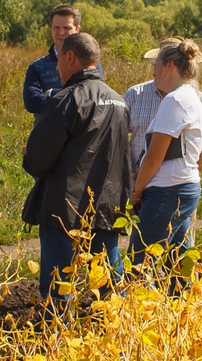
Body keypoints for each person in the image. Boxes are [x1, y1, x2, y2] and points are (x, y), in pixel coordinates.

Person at [22, 31, 131, 301]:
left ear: (70, 57)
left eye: (59, 59)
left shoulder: (67, 100)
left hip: (64, 209)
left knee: (60, 284)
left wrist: (29, 153)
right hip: (107, 206)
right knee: (107, 279)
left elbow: (38, 160)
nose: (57, 66)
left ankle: (58, 336)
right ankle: (115, 332)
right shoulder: (119, 101)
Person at [127, 38, 202, 269]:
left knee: (140, 262)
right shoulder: (191, 96)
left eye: (156, 64)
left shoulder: (174, 100)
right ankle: (180, 303)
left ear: (169, 66)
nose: (153, 71)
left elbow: (154, 156)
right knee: (178, 261)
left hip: (166, 191)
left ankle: (146, 304)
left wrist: (136, 191)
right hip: (184, 187)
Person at [24, 5, 82, 116]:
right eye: (56, 28)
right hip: (47, 132)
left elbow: (94, 97)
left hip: (79, 132)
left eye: (66, 28)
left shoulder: (88, 64)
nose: (60, 33)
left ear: (77, 30)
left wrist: (51, 93)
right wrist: (74, 102)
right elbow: (32, 102)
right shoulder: (37, 67)